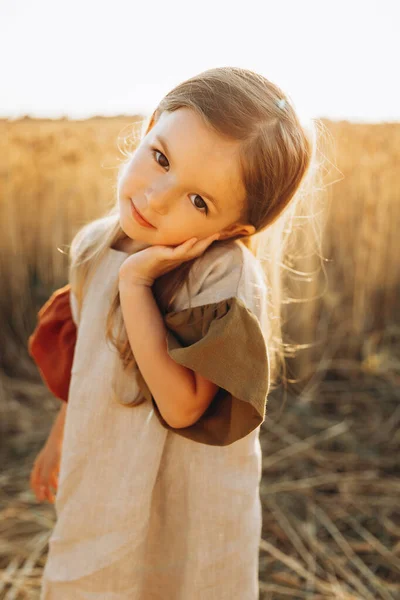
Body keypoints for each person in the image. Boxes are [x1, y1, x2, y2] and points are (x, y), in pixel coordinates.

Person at [28, 66, 316, 599]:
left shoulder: (221, 275)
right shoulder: (96, 247)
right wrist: (59, 436)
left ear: (232, 229)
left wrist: (136, 288)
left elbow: (183, 407)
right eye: (161, 157)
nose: (157, 198)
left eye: (198, 201)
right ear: (151, 123)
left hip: (188, 502)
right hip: (105, 474)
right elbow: (87, 363)